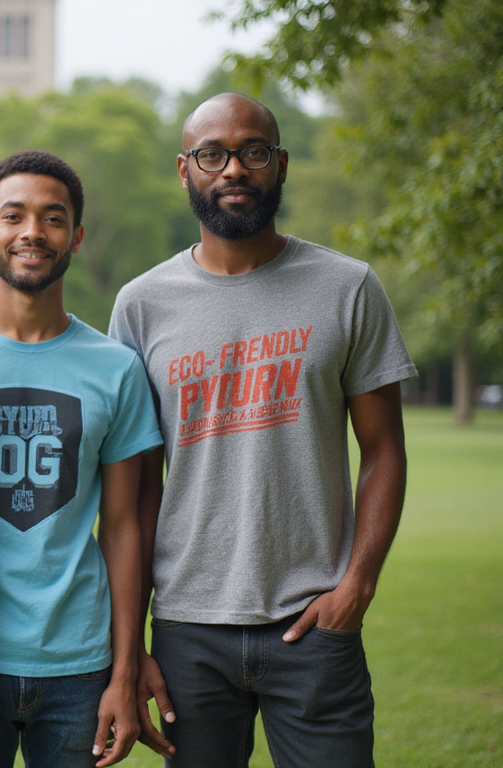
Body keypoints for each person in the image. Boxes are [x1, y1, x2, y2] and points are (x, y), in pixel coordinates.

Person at [108, 93, 417, 767]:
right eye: (212, 155)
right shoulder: (141, 305)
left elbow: (384, 451)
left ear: (279, 164)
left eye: (252, 152)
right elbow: (130, 490)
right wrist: (131, 646)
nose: (233, 170)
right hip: (189, 629)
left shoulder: (347, 287)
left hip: (314, 625)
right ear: (184, 170)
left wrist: (357, 585)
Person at [0, 151, 160, 768]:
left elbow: (123, 525)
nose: (33, 231)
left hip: (78, 663)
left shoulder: (117, 368)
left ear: (76, 237)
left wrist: (125, 666)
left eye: (53, 218)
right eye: (14, 215)